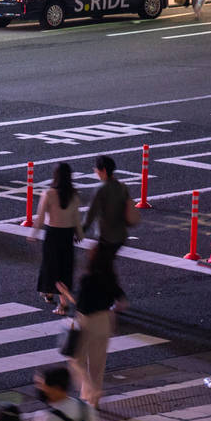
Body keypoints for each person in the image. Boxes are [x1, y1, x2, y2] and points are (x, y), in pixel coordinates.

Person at [62, 244, 125, 407]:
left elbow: (81, 304)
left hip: (87, 322)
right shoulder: (111, 278)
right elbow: (122, 301)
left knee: (75, 360)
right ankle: (93, 401)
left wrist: (67, 294)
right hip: (104, 321)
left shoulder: (87, 278)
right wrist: (113, 312)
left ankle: (90, 390)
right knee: (98, 364)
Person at [35, 161, 81, 310]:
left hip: (52, 234)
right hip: (67, 235)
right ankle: (57, 298)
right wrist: (79, 234)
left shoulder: (48, 193)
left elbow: (40, 218)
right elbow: (76, 217)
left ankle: (59, 301)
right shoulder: (73, 195)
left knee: (50, 266)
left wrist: (33, 234)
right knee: (64, 267)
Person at [81, 154, 136, 263]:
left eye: (97, 169)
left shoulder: (101, 189)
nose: (95, 171)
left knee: (98, 265)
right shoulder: (122, 187)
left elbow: (91, 213)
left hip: (106, 237)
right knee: (106, 263)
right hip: (121, 235)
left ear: (104, 171)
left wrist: (81, 231)